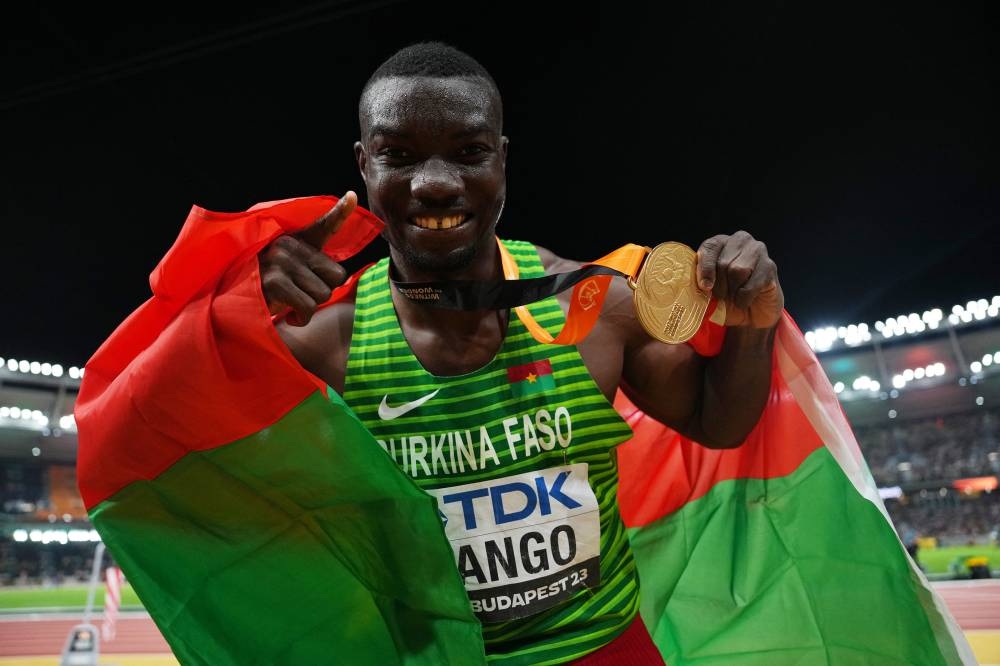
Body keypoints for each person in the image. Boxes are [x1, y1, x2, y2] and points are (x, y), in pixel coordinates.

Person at [257, 40, 782, 664]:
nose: (435, 183)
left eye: (469, 152)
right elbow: (165, 424)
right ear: (363, 164)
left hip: (603, 648)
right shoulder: (319, 341)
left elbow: (716, 423)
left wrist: (752, 326)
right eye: (398, 155)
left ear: (502, 159)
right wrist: (231, 302)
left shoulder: (594, 306)